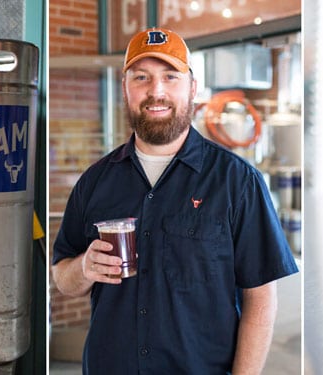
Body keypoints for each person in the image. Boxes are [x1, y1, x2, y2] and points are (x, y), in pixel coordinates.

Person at [52, 27, 299, 374]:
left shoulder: (237, 182)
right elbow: (62, 277)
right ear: (125, 88)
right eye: (142, 77)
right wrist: (83, 268)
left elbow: (260, 300)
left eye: (170, 76)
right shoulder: (95, 181)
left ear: (192, 88)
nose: (157, 91)